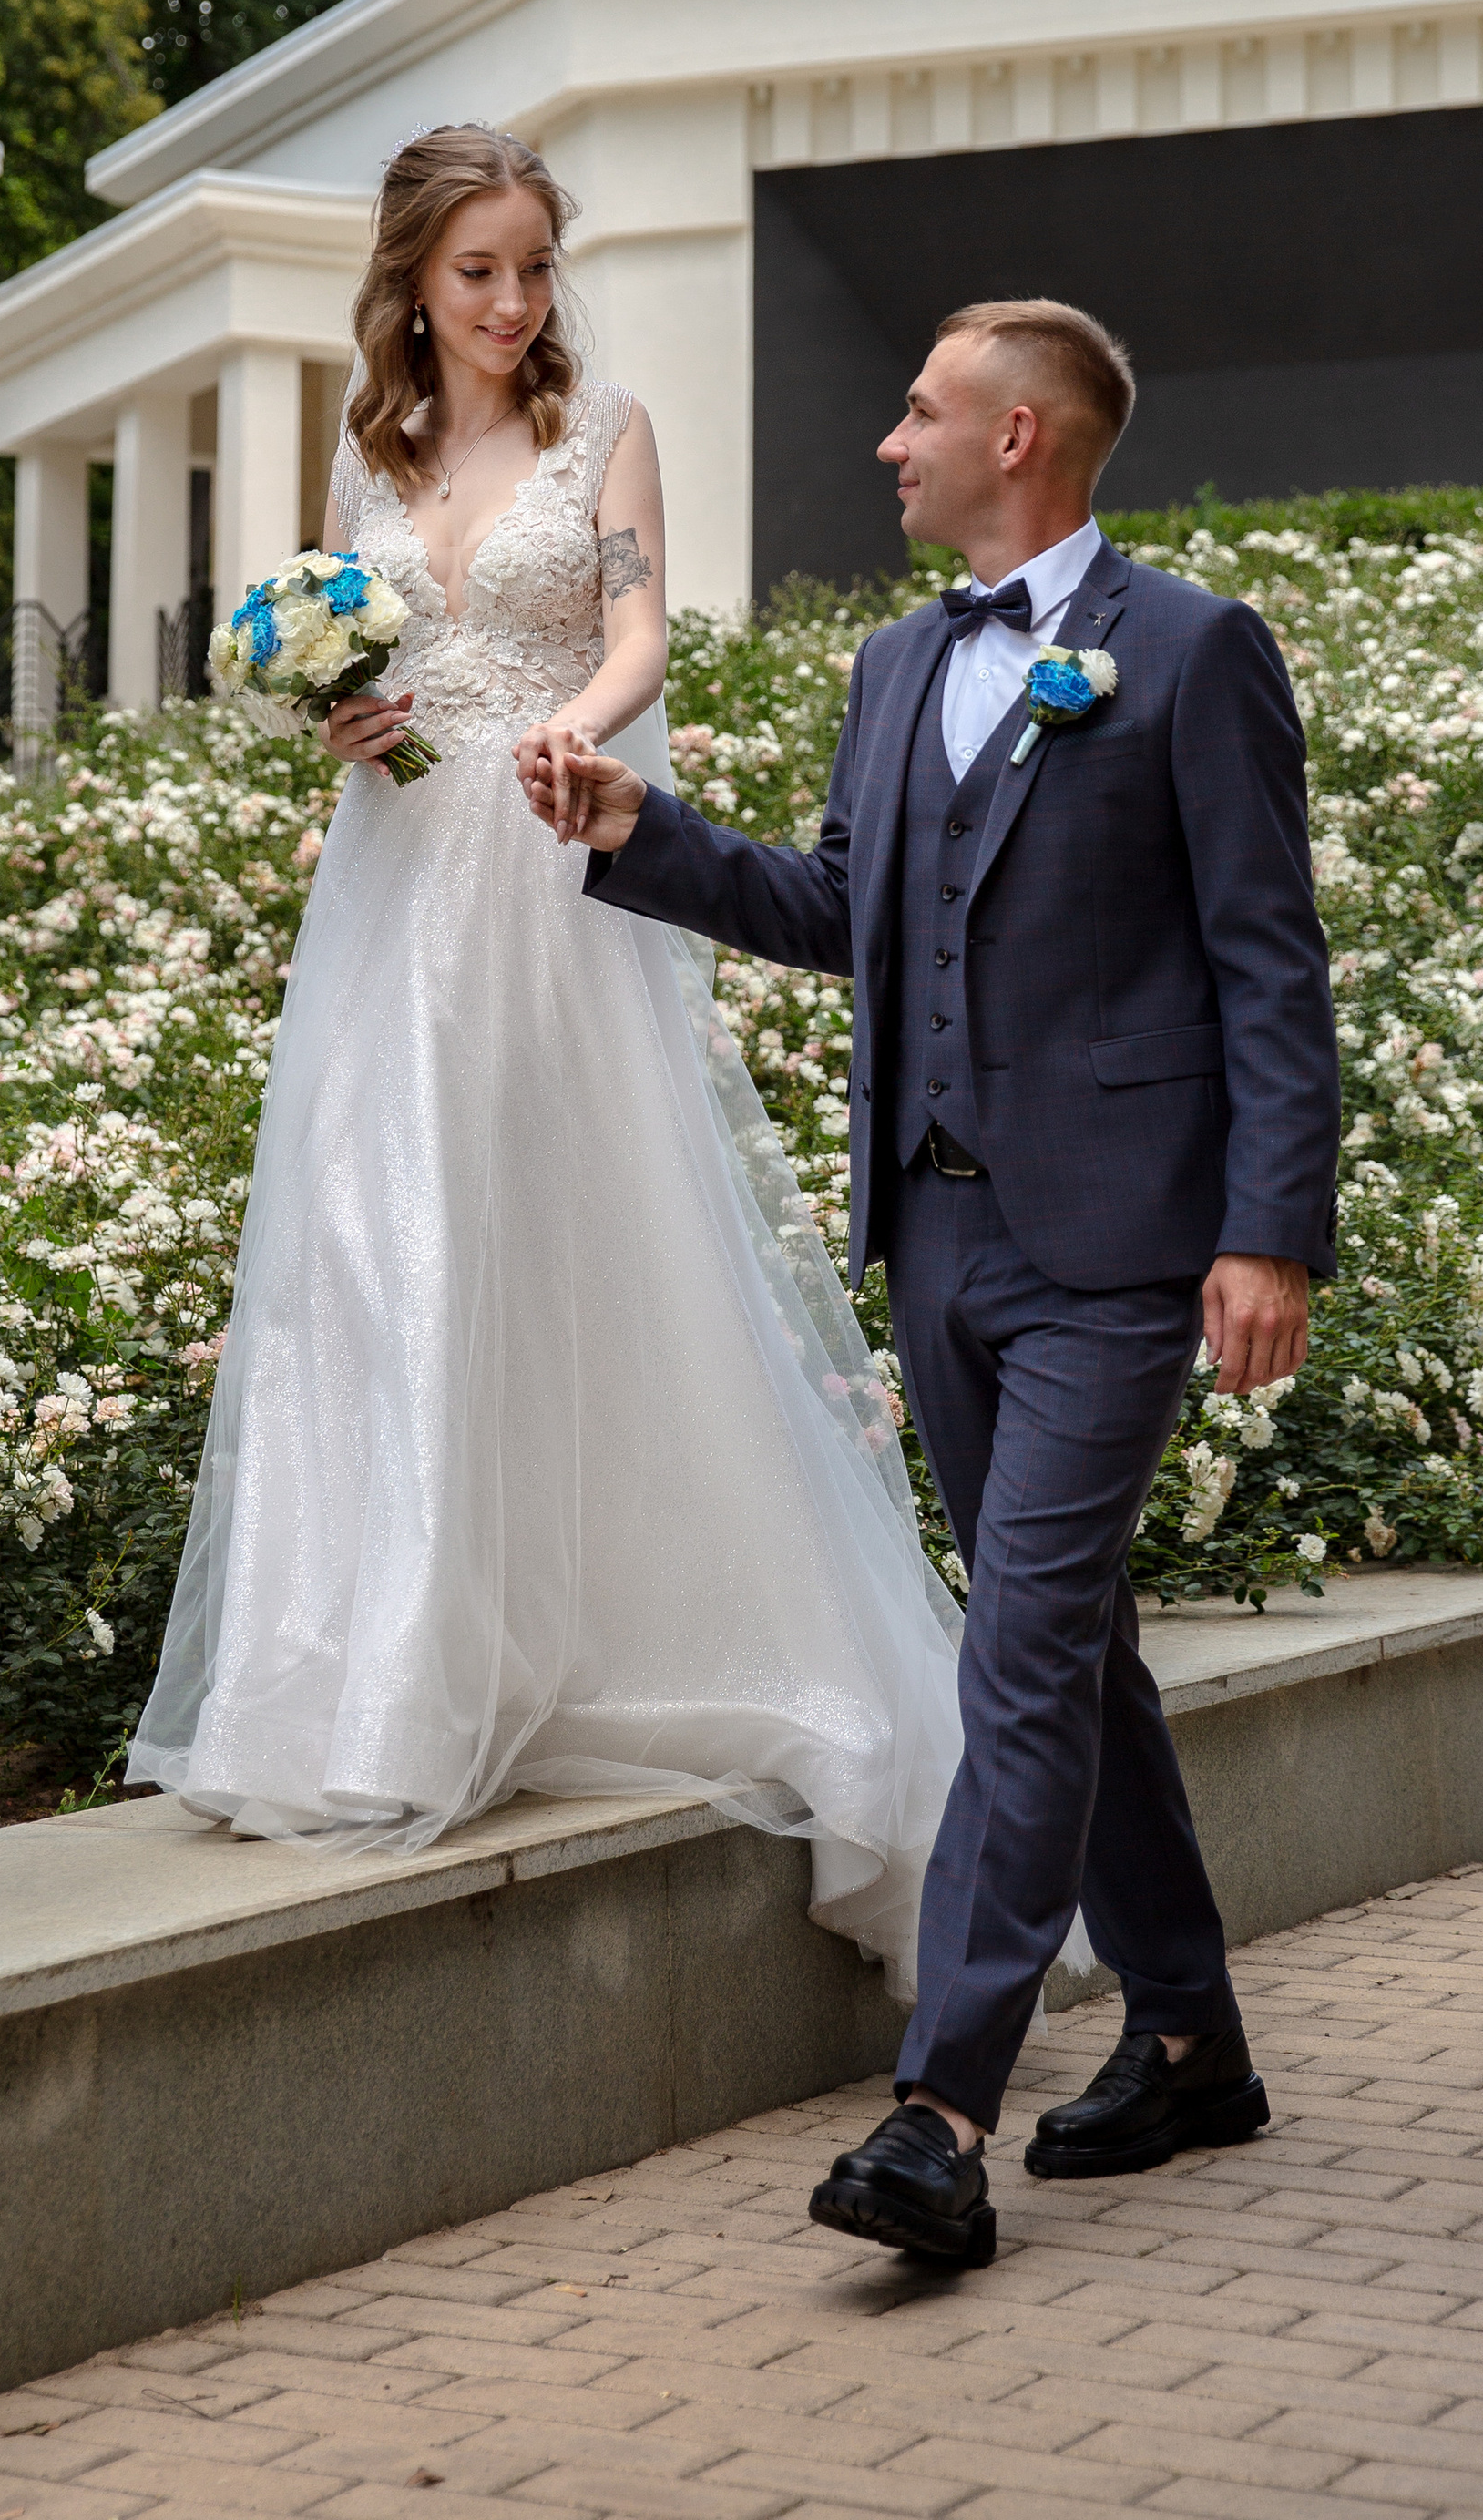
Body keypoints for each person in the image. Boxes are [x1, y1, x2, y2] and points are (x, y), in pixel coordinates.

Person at [523, 298, 1341, 2265]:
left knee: (1017, 1651)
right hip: (942, 1237)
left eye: (919, 411)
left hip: (1125, 1243)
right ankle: (1190, 2038)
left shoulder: (1190, 649)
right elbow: (839, 911)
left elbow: (1266, 961)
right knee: (1064, 1646)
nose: (888, 441)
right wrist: (645, 833)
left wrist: (1268, 1230)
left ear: (1025, 433)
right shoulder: (895, 665)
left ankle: (938, 2108)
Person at [128, 124, 973, 1999]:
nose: (512, 304)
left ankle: (604, 1644)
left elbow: (635, 624)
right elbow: (362, 655)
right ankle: (368, 1682)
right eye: (476, 274)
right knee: (369, 1252)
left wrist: (580, 729)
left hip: (539, 853)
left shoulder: (607, 435)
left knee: (554, 1242)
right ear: (412, 287)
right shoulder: (367, 453)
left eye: (529, 268)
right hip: (391, 889)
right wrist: (339, 717)